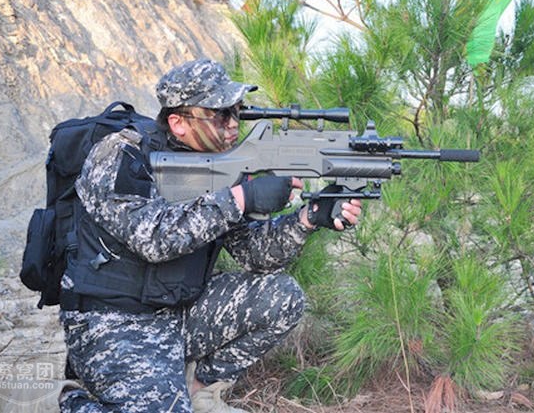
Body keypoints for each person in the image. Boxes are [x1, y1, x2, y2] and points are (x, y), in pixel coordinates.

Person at [57, 58, 362, 413]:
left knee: (282, 297)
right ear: (178, 122)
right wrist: (242, 198)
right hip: (113, 321)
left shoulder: (220, 165)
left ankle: (198, 390)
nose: (233, 125)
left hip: (178, 312)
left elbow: (254, 254)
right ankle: (75, 397)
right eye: (219, 115)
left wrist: (308, 219)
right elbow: (152, 238)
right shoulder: (121, 154)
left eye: (236, 112)